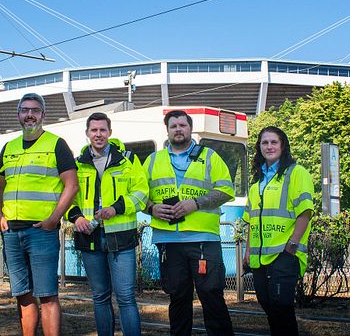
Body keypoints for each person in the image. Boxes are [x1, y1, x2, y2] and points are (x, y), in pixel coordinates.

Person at [0, 93, 78, 336]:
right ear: (18, 114)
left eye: (35, 110)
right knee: (23, 295)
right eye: (25, 110)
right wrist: (0, 217)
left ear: (43, 115)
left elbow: (71, 185)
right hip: (12, 233)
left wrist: (53, 220)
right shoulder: (8, 147)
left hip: (41, 231)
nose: (30, 114)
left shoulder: (56, 144)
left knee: (48, 295)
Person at [143, 109, 235, 336]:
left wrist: (196, 203)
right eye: (173, 126)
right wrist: (152, 208)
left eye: (182, 125)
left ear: (190, 128)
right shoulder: (153, 160)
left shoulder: (210, 156)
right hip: (168, 241)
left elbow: (226, 190)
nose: (178, 129)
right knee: (178, 298)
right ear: (167, 130)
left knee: (211, 295)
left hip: (203, 239)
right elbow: (138, 195)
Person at [66, 112, 148, 336]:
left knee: (126, 297)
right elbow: (67, 197)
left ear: (110, 133)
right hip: (89, 238)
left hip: (121, 239)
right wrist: (77, 218)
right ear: (87, 134)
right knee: (100, 297)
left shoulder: (128, 159)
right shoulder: (77, 164)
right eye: (94, 130)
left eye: (103, 130)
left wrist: (117, 208)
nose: (98, 134)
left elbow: (142, 193)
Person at [242, 126, 314, 336]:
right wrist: (247, 251)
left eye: (274, 142)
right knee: (269, 309)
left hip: (284, 255)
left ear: (283, 145)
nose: (269, 146)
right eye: (265, 142)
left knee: (282, 308)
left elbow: (305, 212)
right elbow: (251, 222)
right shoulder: (258, 183)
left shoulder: (296, 173)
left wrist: (291, 247)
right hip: (259, 259)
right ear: (259, 147)